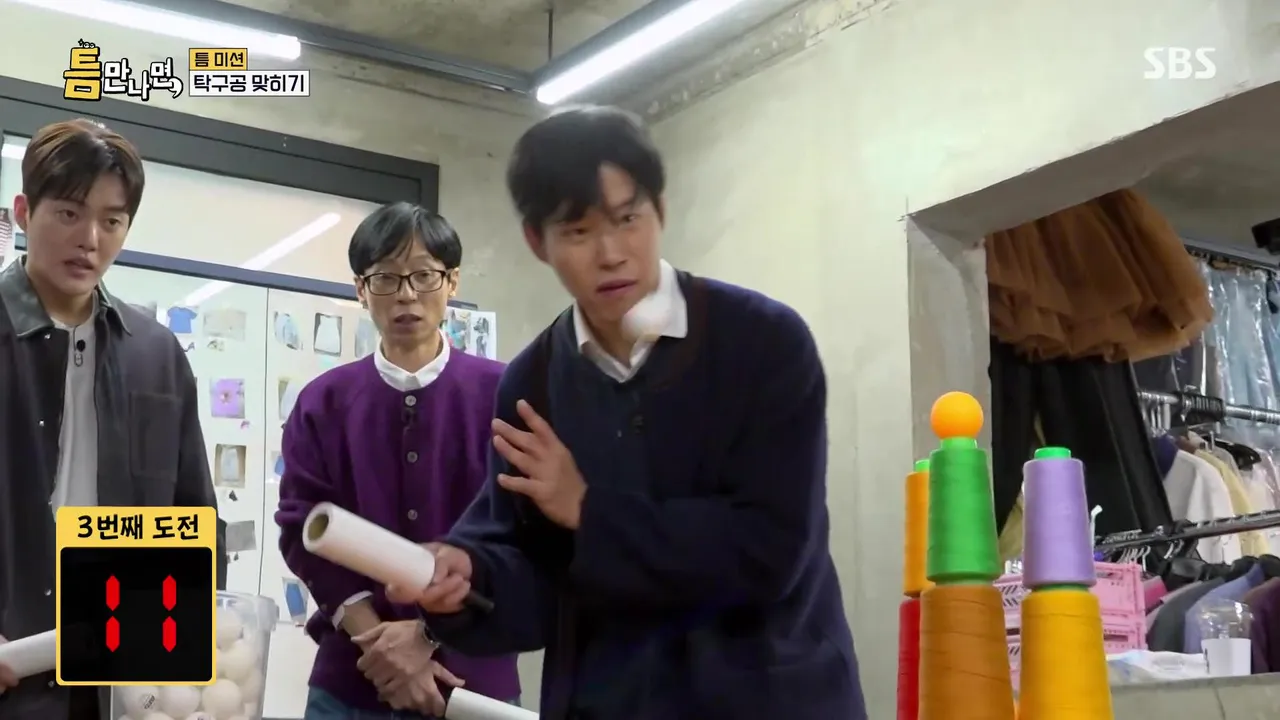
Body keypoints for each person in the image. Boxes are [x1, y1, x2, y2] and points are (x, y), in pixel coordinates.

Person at [388, 106, 867, 719]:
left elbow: (769, 552)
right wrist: (467, 581)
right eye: (577, 231)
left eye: (627, 218)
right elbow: (542, 582)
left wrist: (589, 511)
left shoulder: (764, 342)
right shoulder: (533, 384)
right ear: (537, 241)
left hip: (772, 698)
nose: (611, 253)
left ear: (659, 209)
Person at [0, 119, 223, 720]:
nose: (89, 239)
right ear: (23, 212)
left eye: (112, 220)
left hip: (120, 676)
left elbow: (195, 515)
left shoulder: (156, 353)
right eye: (68, 213)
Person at [275, 202, 521, 719]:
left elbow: (526, 536)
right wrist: (379, 645)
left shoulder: (505, 395)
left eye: (424, 275)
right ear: (360, 290)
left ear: (452, 282)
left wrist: (428, 636)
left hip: (475, 683)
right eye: (385, 278)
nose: (407, 294)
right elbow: (301, 530)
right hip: (352, 681)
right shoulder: (323, 402)